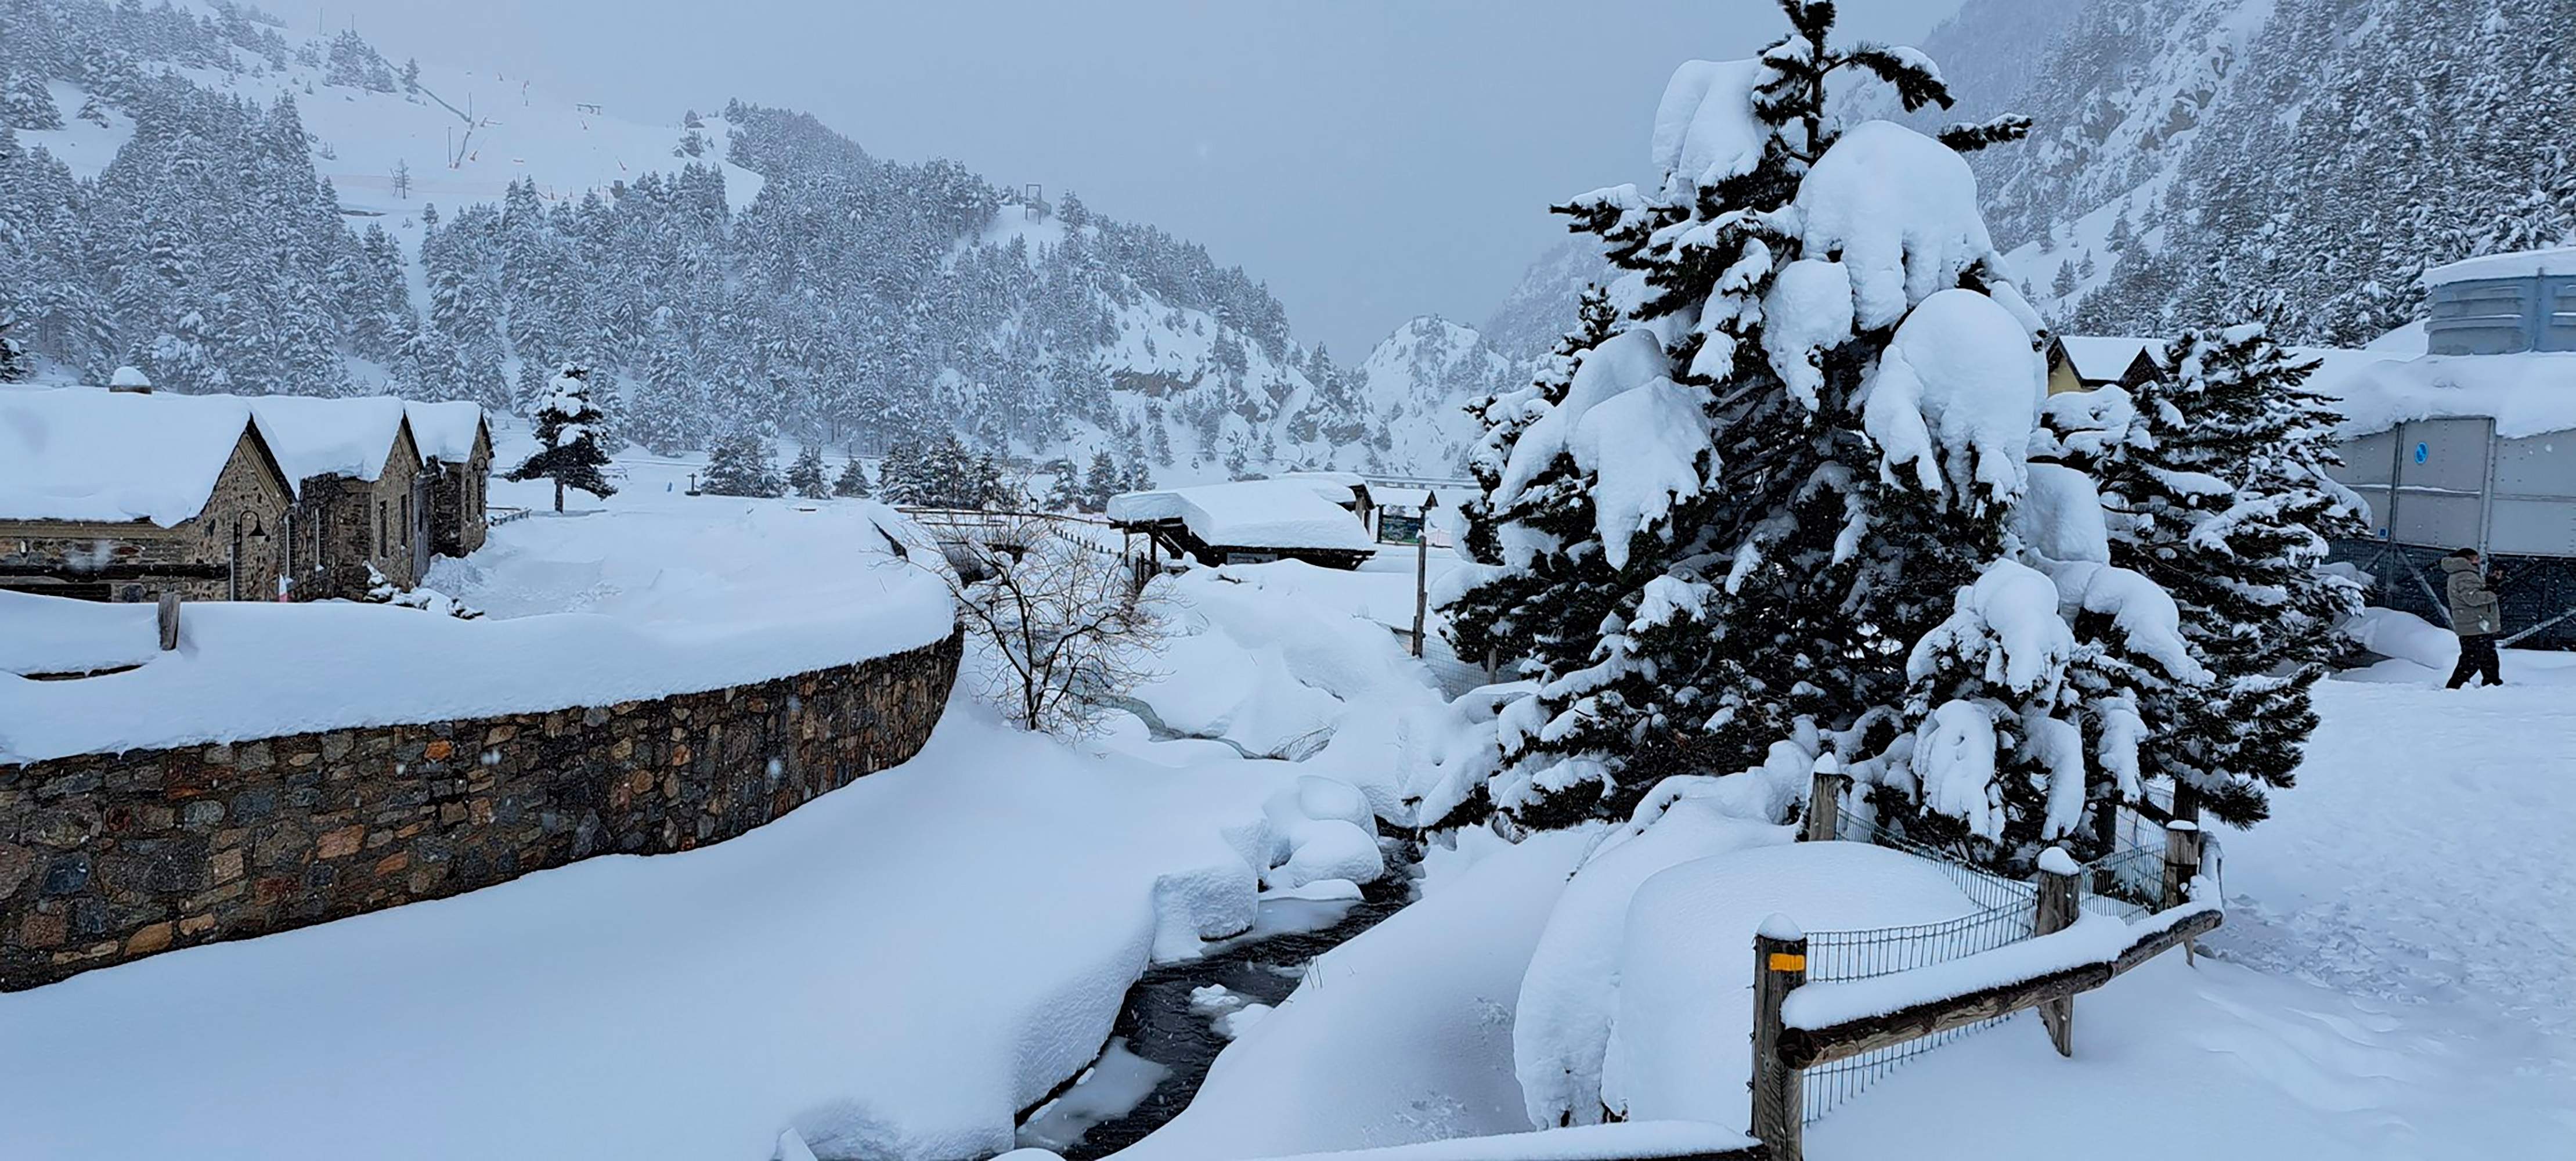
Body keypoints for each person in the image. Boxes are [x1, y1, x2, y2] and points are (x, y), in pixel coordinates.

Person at [2442, 548, 2504, 688]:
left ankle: (2493, 684)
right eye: (2476, 558)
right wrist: (2493, 590)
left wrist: (2490, 583)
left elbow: (2473, 593)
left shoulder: (2461, 574)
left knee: (2488, 657)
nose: (2479, 561)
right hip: (2474, 624)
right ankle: (2455, 687)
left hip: (2475, 623)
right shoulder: (2465, 575)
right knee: (2472, 659)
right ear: (2467, 559)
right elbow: (2473, 598)